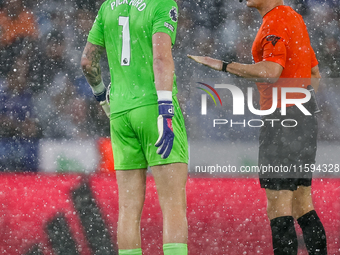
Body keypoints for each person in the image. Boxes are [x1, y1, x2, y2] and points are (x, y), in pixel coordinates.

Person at [188, 0, 327, 254]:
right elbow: (314, 73)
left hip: (282, 120)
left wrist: (224, 65)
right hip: (304, 119)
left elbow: (271, 71)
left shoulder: (275, 21)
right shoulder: (295, 18)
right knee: (303, 203)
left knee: (278, 206)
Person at [80, 1, 189, 255]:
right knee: (173, 205)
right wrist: (165, 110)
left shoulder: (108, 6)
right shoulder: (162, 4)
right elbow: (161, 60)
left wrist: (102, 99)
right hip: (153, 105)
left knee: (128, 210)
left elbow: (87, 61)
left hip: (120, 112)